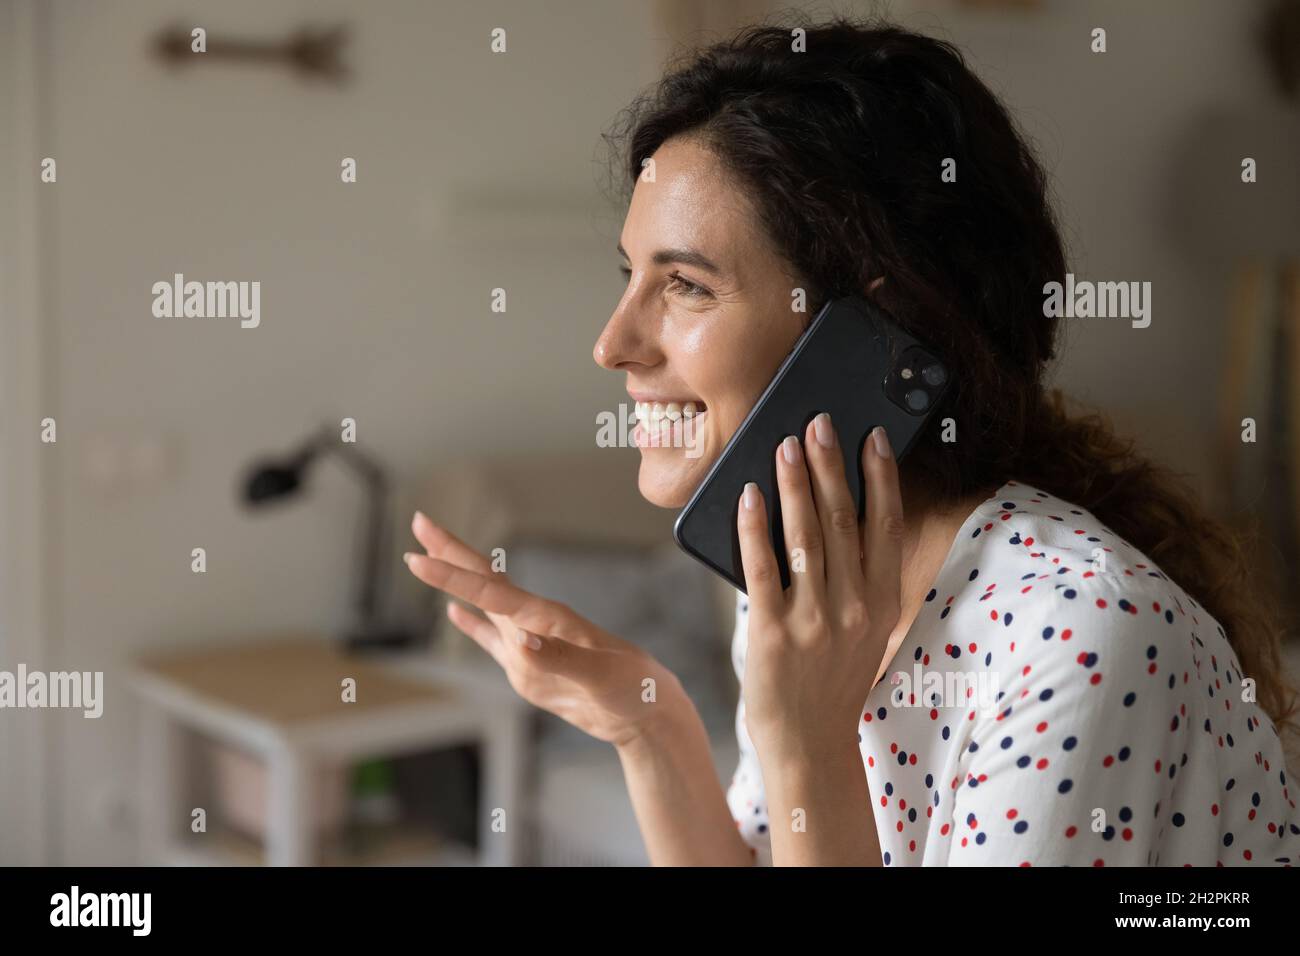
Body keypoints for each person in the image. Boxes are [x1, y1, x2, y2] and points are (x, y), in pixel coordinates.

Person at [404, 17, 1298, 866]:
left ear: (871, 329)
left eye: (684, 286)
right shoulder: (800, 578)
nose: (612, 344)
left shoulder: (1077, 632)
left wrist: (807, 745)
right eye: (631, 275)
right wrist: (651, 726)